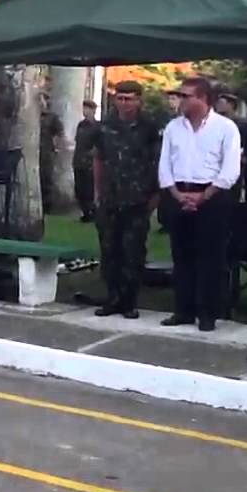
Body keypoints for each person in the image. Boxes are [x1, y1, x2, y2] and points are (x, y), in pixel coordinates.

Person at [157, 76, 242, 333]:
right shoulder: (174, 128)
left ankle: (208, 312)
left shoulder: (226, 128)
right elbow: (164, 164)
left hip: (212, 195)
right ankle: (183, 309)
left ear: (203, 99)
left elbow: (230, 168)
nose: (180, 100)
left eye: (186, 96)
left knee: (211, 256)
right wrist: (176, 193)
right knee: (182, 254)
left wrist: (204, 195)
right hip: (179, 193)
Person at [92, 82, 162, 319]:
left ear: (139, 101)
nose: (125, 104)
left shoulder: (150, 128)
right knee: (110, 251)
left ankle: (129, 301)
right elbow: (99, 160)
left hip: (138, 199)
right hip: (110, 198)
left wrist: (155, 196)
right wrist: (97, 192)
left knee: (133, 253)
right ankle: (112, 298)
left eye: (130, 99)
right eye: (121, 99)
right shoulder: (105, 127)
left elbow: (158, 163)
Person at [73, 99, 100, 222]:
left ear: (93, 110)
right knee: (79, 189)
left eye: (88, 109)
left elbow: (99, 145)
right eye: (84, 108)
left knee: (89, 189)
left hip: (89, 163)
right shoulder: (81, 125)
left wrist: (92, 156)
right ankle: (85, 211)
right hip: (78, 160)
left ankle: (92, 212)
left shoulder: (97, 127)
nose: (85, 111)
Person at [39, 92, 65, 214]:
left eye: (42, 100)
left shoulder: (52, 117)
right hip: (34, 152)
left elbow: (60, 133)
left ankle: (47, 206)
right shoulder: (32, 116)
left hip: (46, 151)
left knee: (46, 178)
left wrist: (58, 148)